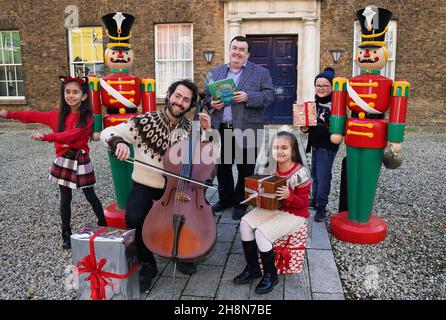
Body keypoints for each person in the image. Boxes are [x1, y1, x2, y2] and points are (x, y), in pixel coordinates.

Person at [100, 79, 213, 292]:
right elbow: (108, 133)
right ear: (169, 95)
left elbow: (210, 157)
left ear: (190, 107)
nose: (180, 102)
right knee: (134, 217)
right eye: (177, 96)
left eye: (186, 100)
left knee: (191, 215)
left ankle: (185, 252)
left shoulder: (192, 129)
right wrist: (118, 143)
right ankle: (147, 262)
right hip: (146, 185)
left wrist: (207, 132)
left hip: (180, 188)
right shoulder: (144, 121)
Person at [0, 76, 106, 249]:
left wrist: (49, 137)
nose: (71, 96)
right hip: (64, 159)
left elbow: (73, 135)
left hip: (80, 158)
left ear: (84, 96)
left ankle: (103, 223)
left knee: (90, 194)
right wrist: (9, 114)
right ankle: (66, 233)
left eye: (75, 92)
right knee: (65, 198)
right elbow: (32, 115)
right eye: (67, 92)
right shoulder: (56, 115)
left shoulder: (87, 119)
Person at [206, 36, 275, 220]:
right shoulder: (216, 71)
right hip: (221, 128)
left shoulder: (261, 72)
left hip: (248, 128)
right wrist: (212, 103)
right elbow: (205, 98)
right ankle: (225, 199)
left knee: (245, 168)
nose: (237, 52)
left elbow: (269, 96)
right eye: (234, 48)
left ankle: (240, 202)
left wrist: (248, 97)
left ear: (248, 53)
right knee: (222, 168)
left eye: (241, 49)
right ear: (229, 50)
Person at [233, 131, 311, 294]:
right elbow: (266, 192)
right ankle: (253, 267)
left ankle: (270, 275)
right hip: (274, 208)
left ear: (293, 151)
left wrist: (290, 196)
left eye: (284, 147)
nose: (280, 151)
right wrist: (256, 194)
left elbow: (304, 204)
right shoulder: (271, 168)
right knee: (245, 223)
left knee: (262, 233)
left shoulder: (300, 173)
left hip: (294, 214)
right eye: (276, 147)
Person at [300, 67, 338, 222]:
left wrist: (314, 125)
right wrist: (305, 127)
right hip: (316, 144)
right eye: (318, 85)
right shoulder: (315, 103)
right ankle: (315, 200)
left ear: (331, 87)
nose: (321, 88)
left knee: (323, 177)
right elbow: (311, 126)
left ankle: (322, 206)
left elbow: (333, 130)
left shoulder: (336, 105)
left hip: (327, 147)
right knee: (315, 175)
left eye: (325, 85)